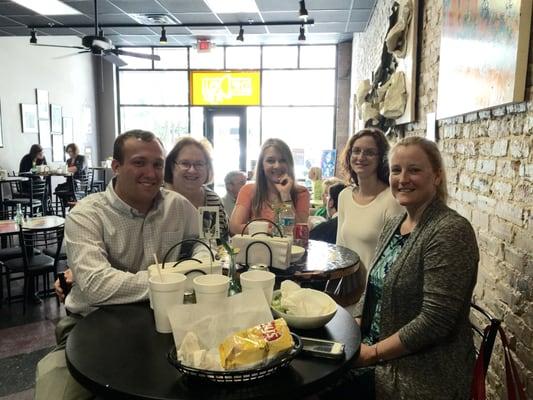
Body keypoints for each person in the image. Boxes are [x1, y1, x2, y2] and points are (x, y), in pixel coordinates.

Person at [34, 130, 208, 400]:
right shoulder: (87, 215)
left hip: (167, 326)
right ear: (116, 166)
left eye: (157, 164)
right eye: (139, 162)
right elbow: (97, 287)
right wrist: (173, 281)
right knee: (56, 395)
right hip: (90, 328)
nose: (151, 173)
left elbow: (202, 248)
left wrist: (192, 269)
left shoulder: (180, 207)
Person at [345, 136, 479, 399]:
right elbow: (374, 288)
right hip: (377, 350)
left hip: (421, 372)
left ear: (437, 177)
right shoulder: (394, 223)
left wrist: (371, 353)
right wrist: (353, 328)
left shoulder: (450, 231)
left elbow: (435, 321)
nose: (403, 178)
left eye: (414, 170)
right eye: (396, 170)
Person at [330, 128, 403, 305]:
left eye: (370, 152)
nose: (361, 157)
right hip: (347, 291)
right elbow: (340, 248)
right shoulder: (345, 196)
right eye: (356, 151)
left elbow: (394, 261)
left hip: (376, 297)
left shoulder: (391, 200)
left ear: (382, 159)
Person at [229, 138, 310, 235]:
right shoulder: (248, 190)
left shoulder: (301, 193)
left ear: (289, 164)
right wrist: (272, 232)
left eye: (282, 160)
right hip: (258, 248)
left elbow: (299, 232)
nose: (277, 166)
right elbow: (234, 227)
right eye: (270, 161)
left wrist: (286, 196)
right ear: (262, 166)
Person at [164, 136, 229, 242]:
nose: (192, 170)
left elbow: (216, 245)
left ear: (207, 168)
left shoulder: (212, 200)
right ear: (172, 166)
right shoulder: (156, 197)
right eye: (185, 163)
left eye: (199, 164)